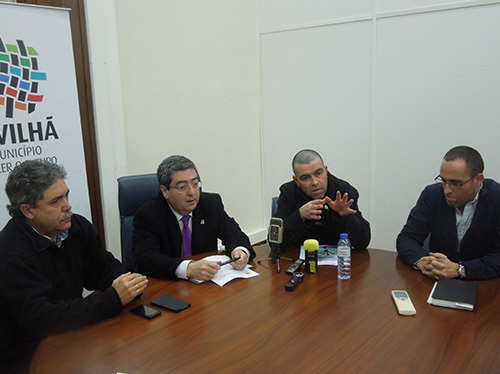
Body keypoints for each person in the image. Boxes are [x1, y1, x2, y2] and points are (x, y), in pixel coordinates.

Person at [0, 160, 148, 374]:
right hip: (27, 356)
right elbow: (43, 319)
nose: (67, 206)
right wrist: (114, 298)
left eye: (66, 196)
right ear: (28, 211)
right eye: (55, 201)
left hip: (73, 337)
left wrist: (128, 282)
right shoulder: (10, 253)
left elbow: (103, 268)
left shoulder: (76, 226)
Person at [133, 155, 255, 281]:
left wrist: (240, 250)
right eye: (182, 187)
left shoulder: (210, 204)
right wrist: (188, 269)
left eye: (195, 184)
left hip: (208, 286)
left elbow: (233, 234)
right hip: (169, 286)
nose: (192, 192)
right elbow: (145, 259)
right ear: (165, 191)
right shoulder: (149, 214)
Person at [397, 146, 500, 280]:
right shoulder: (432, 195)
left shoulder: (496, 199)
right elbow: (407, 238)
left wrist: (460, 269)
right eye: (444, 181)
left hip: (484, 283)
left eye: (456, 183)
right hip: (436, 280)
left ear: (479, 179)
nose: (447, 190)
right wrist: (421, 261)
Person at [275, 149, 371, 250]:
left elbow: (363, 243)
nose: (315, 182)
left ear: (326, 170)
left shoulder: (344, 191)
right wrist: (300, 216)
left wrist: (346, 217)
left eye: (318, 173)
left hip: (338, 259)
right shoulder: (288, 193)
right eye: (305, 178)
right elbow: (275, 243)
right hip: (300, 258)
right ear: (296, 181)